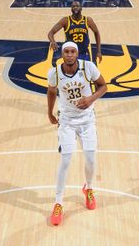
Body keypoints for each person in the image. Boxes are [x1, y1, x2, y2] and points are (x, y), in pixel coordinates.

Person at [46, 41, 107, 226]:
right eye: (66, 52)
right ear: (62, 54)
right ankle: (58, 203)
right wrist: (49, 112)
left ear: (77, 54)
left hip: (87, 120)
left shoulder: (88, 67)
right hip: (67, 121)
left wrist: (91, 98)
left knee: (90, 158)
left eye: (73, 51)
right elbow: (51, 92)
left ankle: (88, 189)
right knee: (65, 160)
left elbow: (104, 86)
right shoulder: (54, 73)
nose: (70, 54)